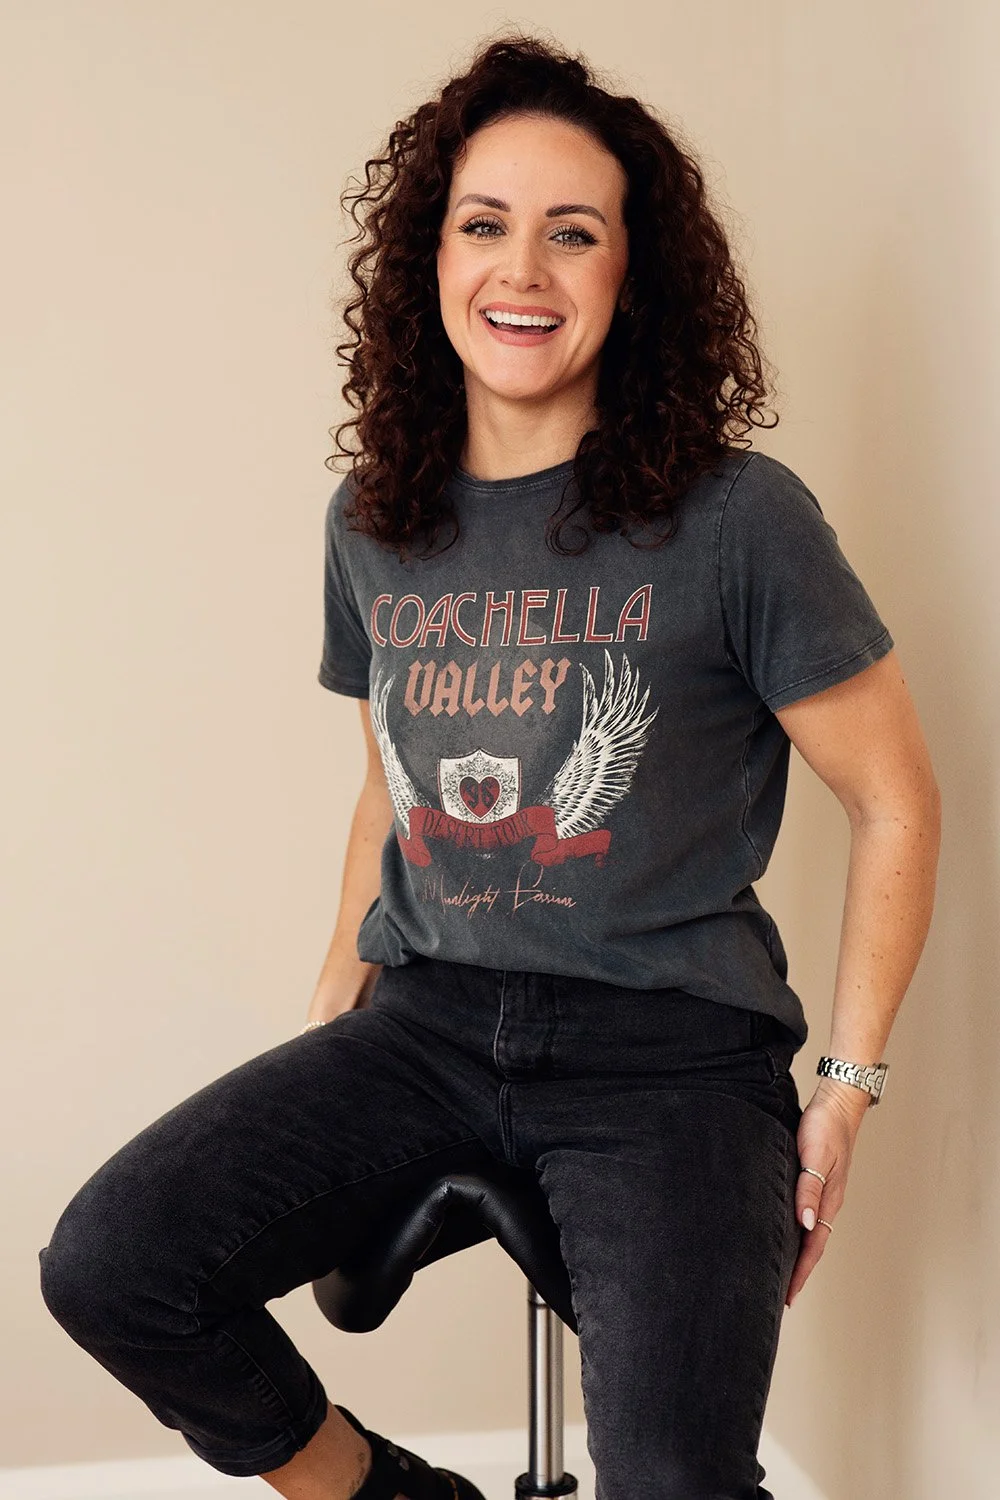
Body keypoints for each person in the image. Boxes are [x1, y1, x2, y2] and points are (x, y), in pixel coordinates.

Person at [38, 31, 941, 1500]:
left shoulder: (737, 520)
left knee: (676, 1481)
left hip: (674, 1055)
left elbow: (897, 796)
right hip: (431, 1024)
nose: (523, 270)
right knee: (114, 1266)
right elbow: (388, 767)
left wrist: (839, 1087)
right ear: (431, 258)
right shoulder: (376, 518)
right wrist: (338, 987)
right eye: (485, 225)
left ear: (630, 276)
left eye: (572, 233)